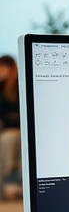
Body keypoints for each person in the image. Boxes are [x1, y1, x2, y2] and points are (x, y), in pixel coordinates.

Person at [0, 54, 22, 200]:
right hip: (5, 129)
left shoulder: (20, 86)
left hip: (19, 130)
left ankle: (10, 177)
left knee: (8, 138)